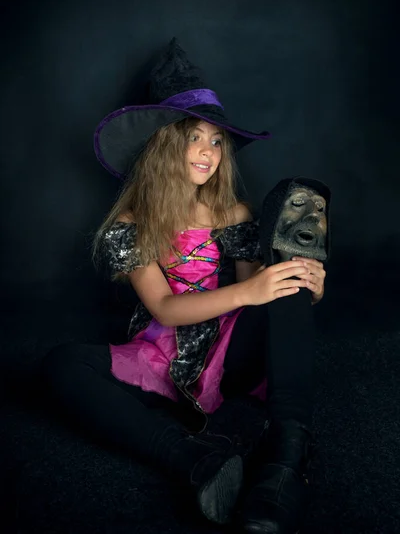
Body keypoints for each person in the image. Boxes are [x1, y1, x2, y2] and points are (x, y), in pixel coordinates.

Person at [41, 38, 329, 534]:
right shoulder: (131, 222)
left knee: (290, 275)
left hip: (231, 352)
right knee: (61, 365)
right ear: (163, 145)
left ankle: (287, 456)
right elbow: (166, 309)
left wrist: (299, 286)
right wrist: (251, 292)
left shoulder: (233, 213)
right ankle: (194, 458)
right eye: (194, 137)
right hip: (163, 353)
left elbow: (252, 289)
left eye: (216, 142)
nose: (208, 152)